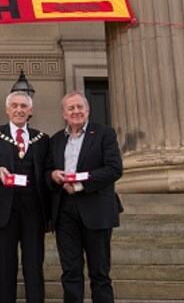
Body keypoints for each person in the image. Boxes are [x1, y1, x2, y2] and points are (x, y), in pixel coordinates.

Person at [48, 91, 123, 303]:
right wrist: (52, 175)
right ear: (64, 113)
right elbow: (46, 170)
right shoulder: (55, 140)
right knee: (70, 272)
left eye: (80, 107)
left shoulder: (104, 134)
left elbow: (114, 169)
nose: (76, 111)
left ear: (88, 110)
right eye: (71, 108)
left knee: (99, 273)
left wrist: (80, 185)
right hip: (65, 212)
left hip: (96, 210)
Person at [0, 91, 51, 303]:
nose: (19, 110)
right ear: (7, 110)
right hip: (4, 210)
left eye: (23, 106)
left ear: (30, 111)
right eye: (15, 106)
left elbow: (47, 171)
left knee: (33, 265)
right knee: (6, 266)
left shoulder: (42, 138)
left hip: (34, 210)